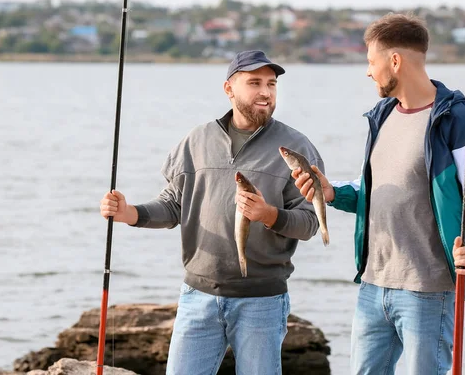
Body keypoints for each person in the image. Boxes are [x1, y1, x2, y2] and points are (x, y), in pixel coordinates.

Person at [292, 13, 465, 374]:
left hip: (429, 290)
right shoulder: (382, 114)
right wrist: (332, 193)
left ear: (395, 61)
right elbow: (376, 188)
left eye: (371, 61)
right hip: (373, 285)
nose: (368, 71)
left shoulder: (457, 120)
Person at [99, 50, 325, 375]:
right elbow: (173, 205)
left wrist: (268, 214)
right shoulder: (197, 140)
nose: (266, 92)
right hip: (197, 296)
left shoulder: (296, 147)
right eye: (254, 83)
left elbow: (309, 223)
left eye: (271, 84)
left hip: (261, 301)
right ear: (229, 89)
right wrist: (129, 213)